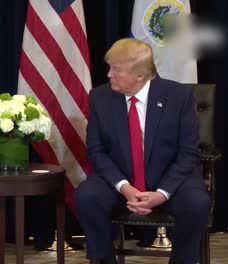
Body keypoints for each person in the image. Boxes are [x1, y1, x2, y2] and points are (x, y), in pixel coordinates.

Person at [75, 38, 210, 264]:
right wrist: (125, 187)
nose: (109, 74)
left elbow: (188, 153)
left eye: (116, 70)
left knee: (197, 203)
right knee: (87, 196)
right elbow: (96, 151)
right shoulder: (100, 97)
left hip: (170, 179)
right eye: (110, 68)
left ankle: (183, 260)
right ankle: (104, 259)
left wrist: (162, 193)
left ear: (140, 75)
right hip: (120, 178)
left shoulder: (178, 97)